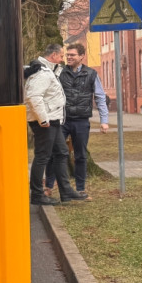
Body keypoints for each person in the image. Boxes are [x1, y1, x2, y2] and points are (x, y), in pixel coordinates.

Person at [43, 42, 109, 199]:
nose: (69, 57)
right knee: (54, 153)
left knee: (80, 155)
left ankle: (80, 189)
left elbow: (100, 97)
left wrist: (104, 120)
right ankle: (48, 186)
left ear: (81, 56)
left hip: (81, 121)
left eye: (72, 55)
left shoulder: (91, 74)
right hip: (62, 120)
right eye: (67, 55)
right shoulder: (59, 72)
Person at [24, 43, 87, 206]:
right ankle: (37, 194)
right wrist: (43, 119)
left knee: (61, 153)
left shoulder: (50, 71)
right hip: (45, 122)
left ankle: (66, 191)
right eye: (61, 56)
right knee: (42, 156)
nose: (63, 58)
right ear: (53, 56)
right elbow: (34, 96)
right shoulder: (42, 73)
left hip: (53, 120)